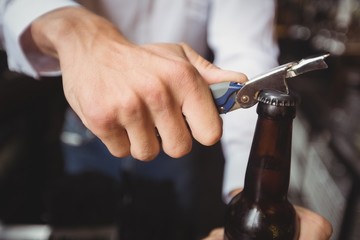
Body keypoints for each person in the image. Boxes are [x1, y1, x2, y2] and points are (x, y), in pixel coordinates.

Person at [0, 0, 332, 239]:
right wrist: (83, 35)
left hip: (177, 135)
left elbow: (247, 52)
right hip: (91, 130)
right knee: (82, 226)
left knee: (164, 226)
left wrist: (250, 203)